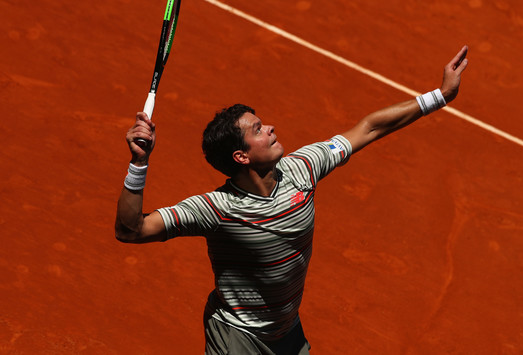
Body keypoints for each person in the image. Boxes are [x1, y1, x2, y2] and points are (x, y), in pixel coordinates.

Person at [115, 46, 469, 354]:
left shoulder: (303, 167)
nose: (270, 128)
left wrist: (439, 96)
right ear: (241, 157)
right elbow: (132, 230)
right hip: (237, 338)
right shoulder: (216, 209)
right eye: (258, 129)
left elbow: (369, 127)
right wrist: (139, 163)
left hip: (285, 334)